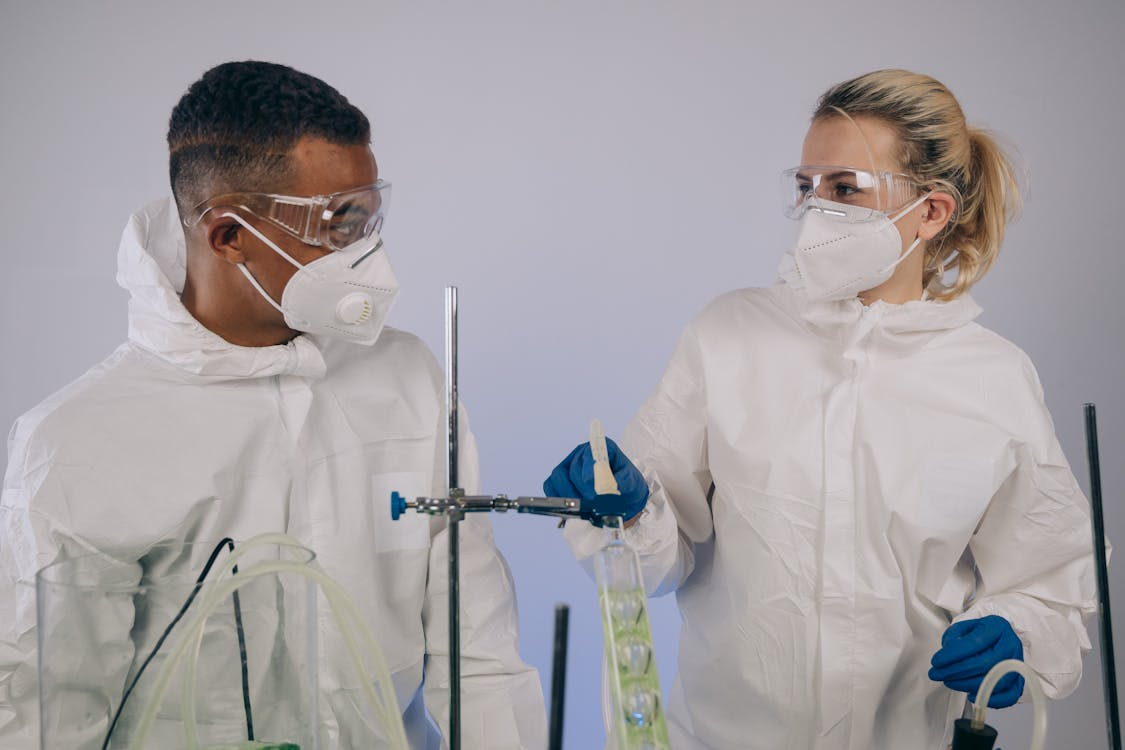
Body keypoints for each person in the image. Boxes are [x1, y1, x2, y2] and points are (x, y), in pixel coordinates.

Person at [0, 60, 546, 749]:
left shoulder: (406, 376)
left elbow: (481, 655)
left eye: (370, 217)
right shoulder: (80, 441)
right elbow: (49, 717)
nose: (367, 253)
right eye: (338, 223)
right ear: (228, 235)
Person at [544, 69, 1096, 749]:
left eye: (843, 190)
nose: (815, 211)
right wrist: (625, 507)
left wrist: (1018, 633)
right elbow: (656, 559)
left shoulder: (992, 379)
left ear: (931, 212)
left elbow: (1050, 582)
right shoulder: (729, 335)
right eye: (805, 188)